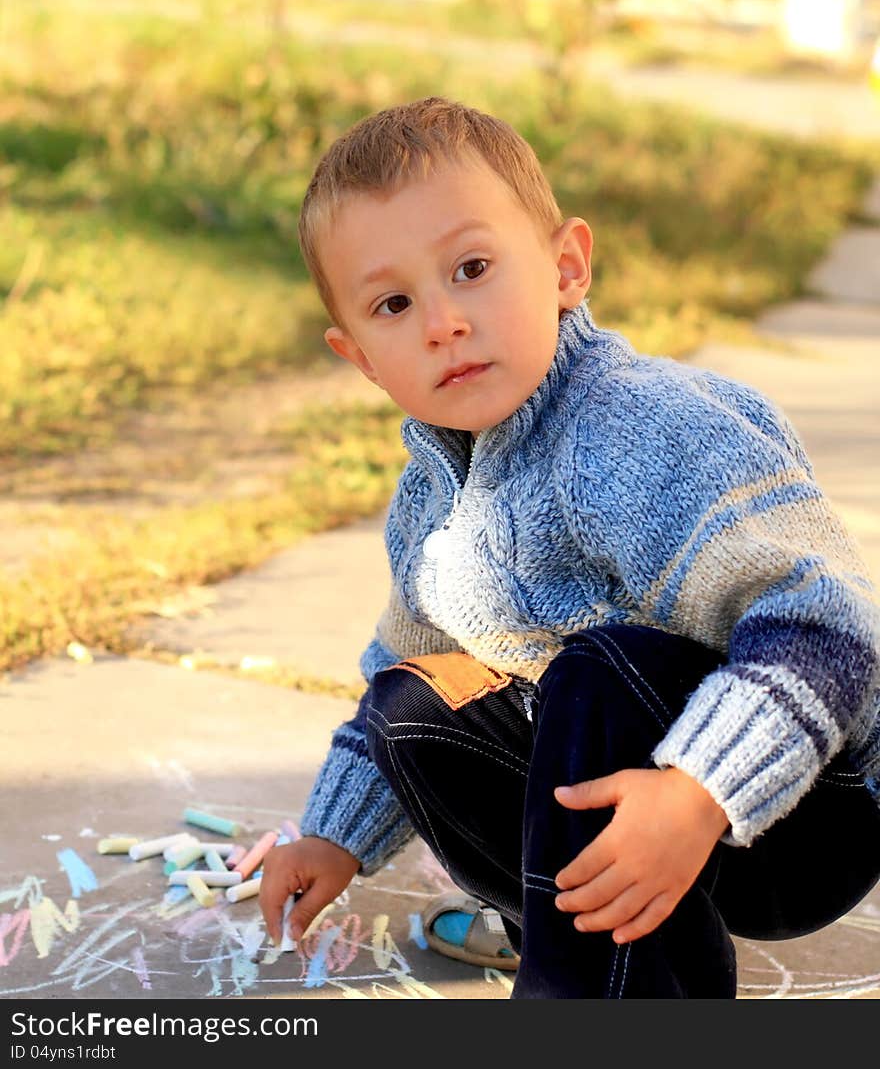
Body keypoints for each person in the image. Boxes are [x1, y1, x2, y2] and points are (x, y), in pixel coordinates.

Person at [260, 96, 880, 998]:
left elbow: (831, 632)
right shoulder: (433, 499)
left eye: (472, 268)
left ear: (565, 267)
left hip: (803, 808)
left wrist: (699, 789)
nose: (442, 322)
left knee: (598, 671)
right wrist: (334, 834)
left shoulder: (641, 436)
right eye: (394, 304)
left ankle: (600, 996)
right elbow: (408, 663)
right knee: (411, 702)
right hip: (646, 804)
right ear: (359, 355)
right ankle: (555, 934)